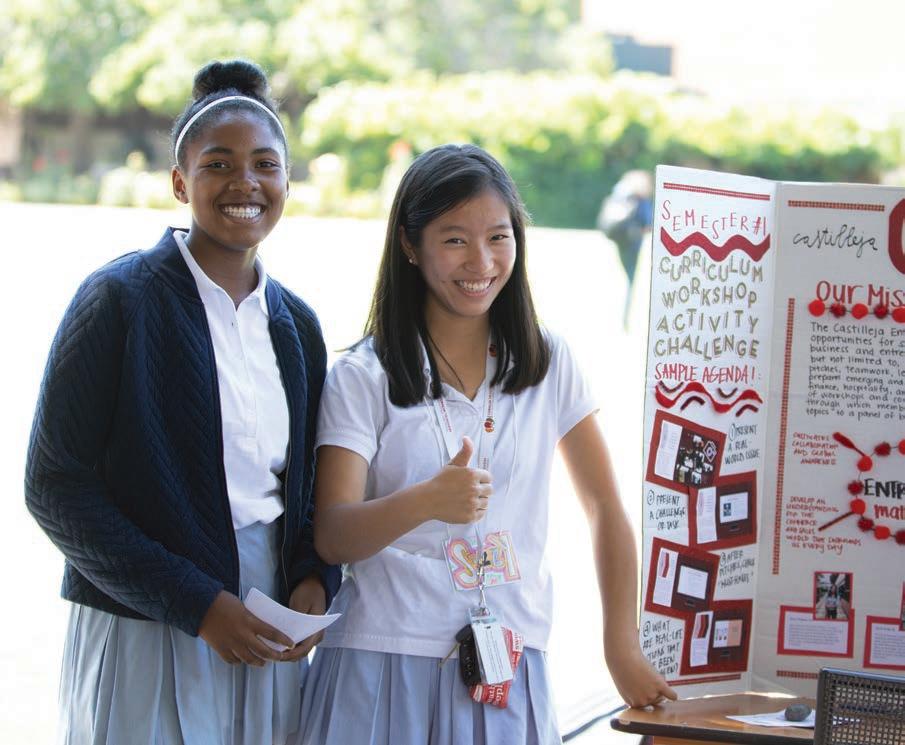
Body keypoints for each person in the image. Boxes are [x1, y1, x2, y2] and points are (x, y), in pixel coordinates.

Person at [297, 144, 676, 745]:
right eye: (454, 240)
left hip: (510, 661)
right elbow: (333, 533)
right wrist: (425, 501)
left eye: (498, 237)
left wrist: (620, 646)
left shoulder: (548, 362)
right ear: (409, 244)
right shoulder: (364, 375)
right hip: (381, 661)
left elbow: (605, 508)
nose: (481, 261)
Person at [24, 59, 339, 745]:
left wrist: (315, 577)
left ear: (288, 182)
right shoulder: (117, 300)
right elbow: (53, 487)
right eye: (218, 164)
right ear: (179, 181)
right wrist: (196, 604)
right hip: (144, 612)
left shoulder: (298, 326)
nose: (245, 183)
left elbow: (312, 485)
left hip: (265, 621)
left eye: (265, 165)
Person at [596, 169, 653, 327]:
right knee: (629, 281)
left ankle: (618, 318)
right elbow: (647, 224)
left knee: (621, 280)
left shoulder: (620, 193)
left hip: (617, 240)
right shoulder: (641, 200)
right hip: (632, 244)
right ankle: (624, 319)